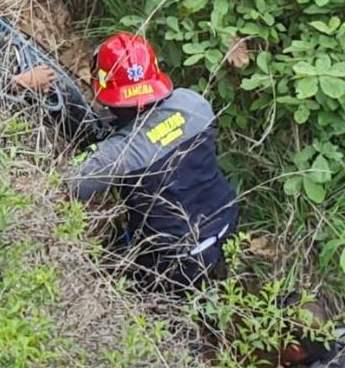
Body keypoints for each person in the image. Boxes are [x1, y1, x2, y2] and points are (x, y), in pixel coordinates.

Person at [65, 32, 238, 293]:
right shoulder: (194, 104)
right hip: (226, 220)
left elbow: (71, 182)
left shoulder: (118, 153)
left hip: (172, 261)